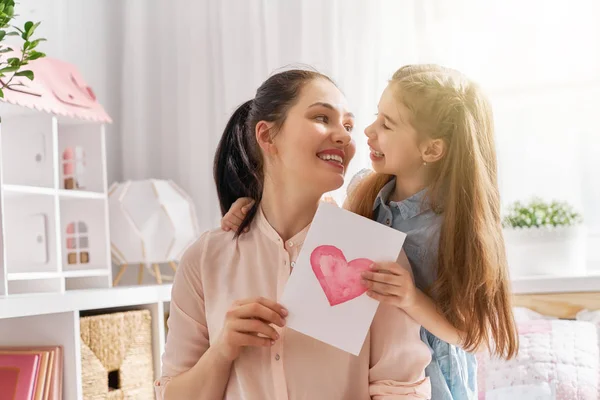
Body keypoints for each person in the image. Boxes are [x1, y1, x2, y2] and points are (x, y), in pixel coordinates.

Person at [222, 64, 519, 399]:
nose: (367, 130)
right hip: (367, 369)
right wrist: (254, 208)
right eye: (377, 116)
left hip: (428, 382)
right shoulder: (365, 189)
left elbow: (472, 337)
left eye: (387, 124)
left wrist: (412, 299)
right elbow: (316, 220)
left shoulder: (451, 229)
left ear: (432, 149)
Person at [155, 69, 432, 400]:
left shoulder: (371, 254)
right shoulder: (205, 258)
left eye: (347, 126)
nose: (344, 137)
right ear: (268, 136)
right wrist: (222, 349)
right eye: (322, 117)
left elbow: (401, 390)